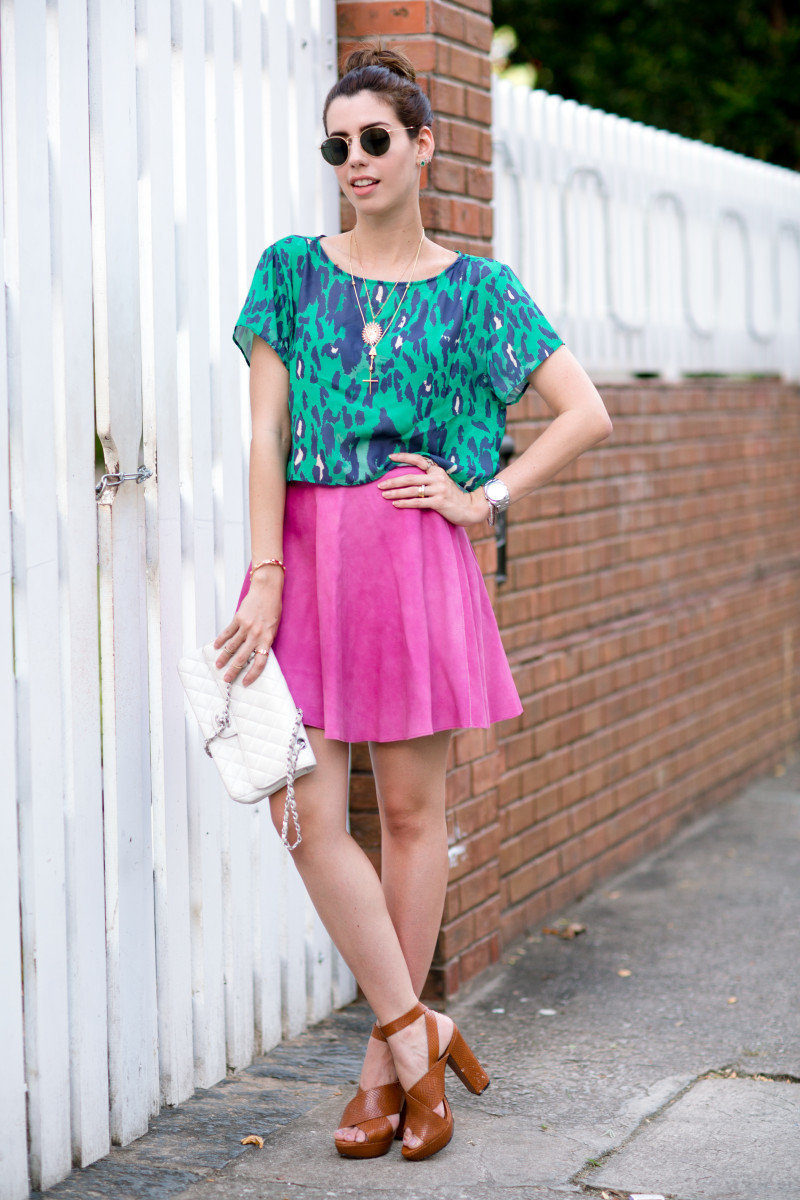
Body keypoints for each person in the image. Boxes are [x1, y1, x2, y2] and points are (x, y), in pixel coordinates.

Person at [214, 44, 612, 1162]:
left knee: (405, 815)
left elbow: (584, 411)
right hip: (304, 560)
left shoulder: (480, 292)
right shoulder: (290, 273)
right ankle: (412, 1028)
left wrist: (484, 498)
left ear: (422, 146)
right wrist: (265, 573)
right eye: (336, 144)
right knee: (302, 809)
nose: (354, 160)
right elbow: (265, 433)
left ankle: (379, 1074)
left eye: (375, 139)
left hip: (414, 561)